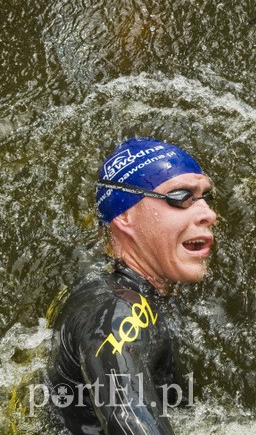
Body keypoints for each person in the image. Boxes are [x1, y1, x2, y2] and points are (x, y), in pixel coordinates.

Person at [47, 137, 217, 434]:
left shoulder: (103, 286)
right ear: (124, 215)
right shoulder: (119, 311)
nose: (208, 214)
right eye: (180, 196)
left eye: (205, 197)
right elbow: (130, 421)